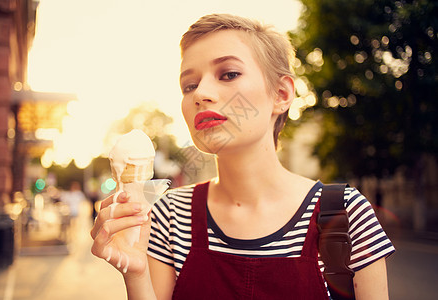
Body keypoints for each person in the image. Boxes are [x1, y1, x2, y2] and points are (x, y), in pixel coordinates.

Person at [91, 14, 395, 299]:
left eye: (229, 74)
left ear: (281, 94)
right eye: (189, 85)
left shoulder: (344, 215)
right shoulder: (168, 216)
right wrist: (136, 275)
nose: (200, 94)